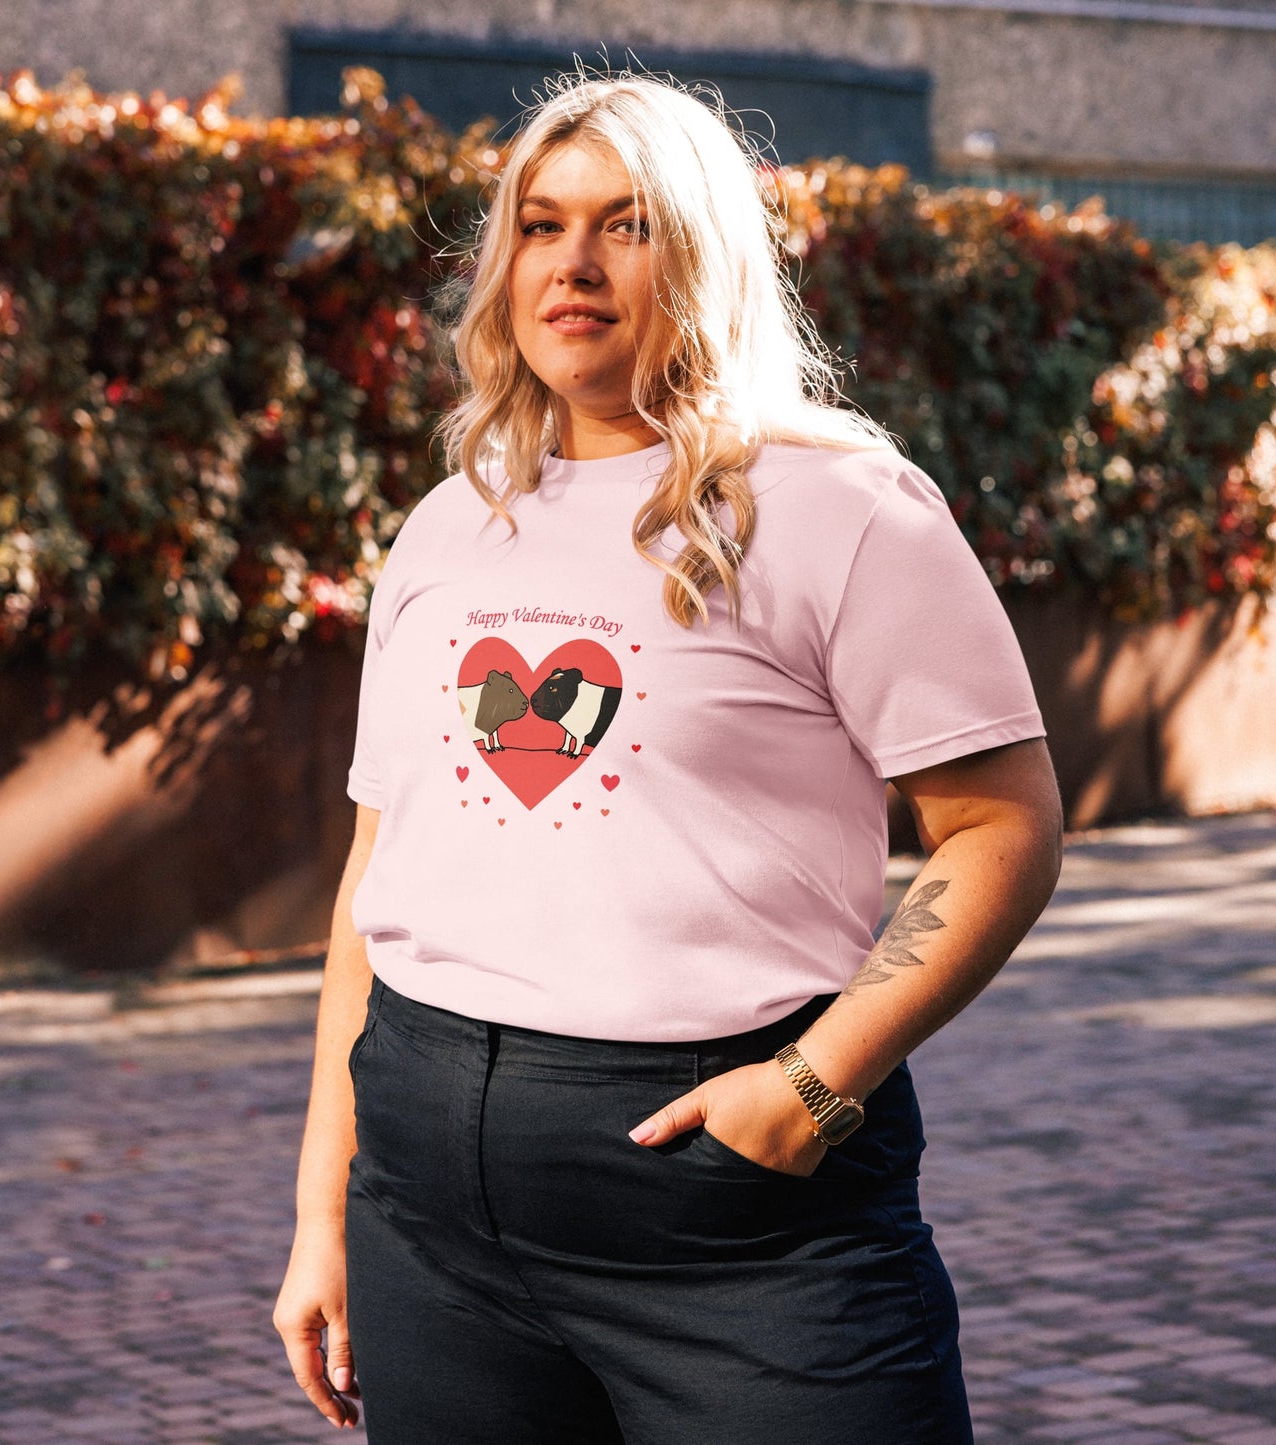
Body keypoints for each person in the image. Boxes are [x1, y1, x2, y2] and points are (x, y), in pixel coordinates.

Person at [274, 70, 1063, 1443]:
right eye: (538, 224)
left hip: (738, 1215)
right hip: (432, 1212)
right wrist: (322, 1211)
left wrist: (813, 1086)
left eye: (624, 225)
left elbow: (1001, 826)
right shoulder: (446, 526)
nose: (571, 264)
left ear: (702, 254)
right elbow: (376, 870)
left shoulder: (839, 506)